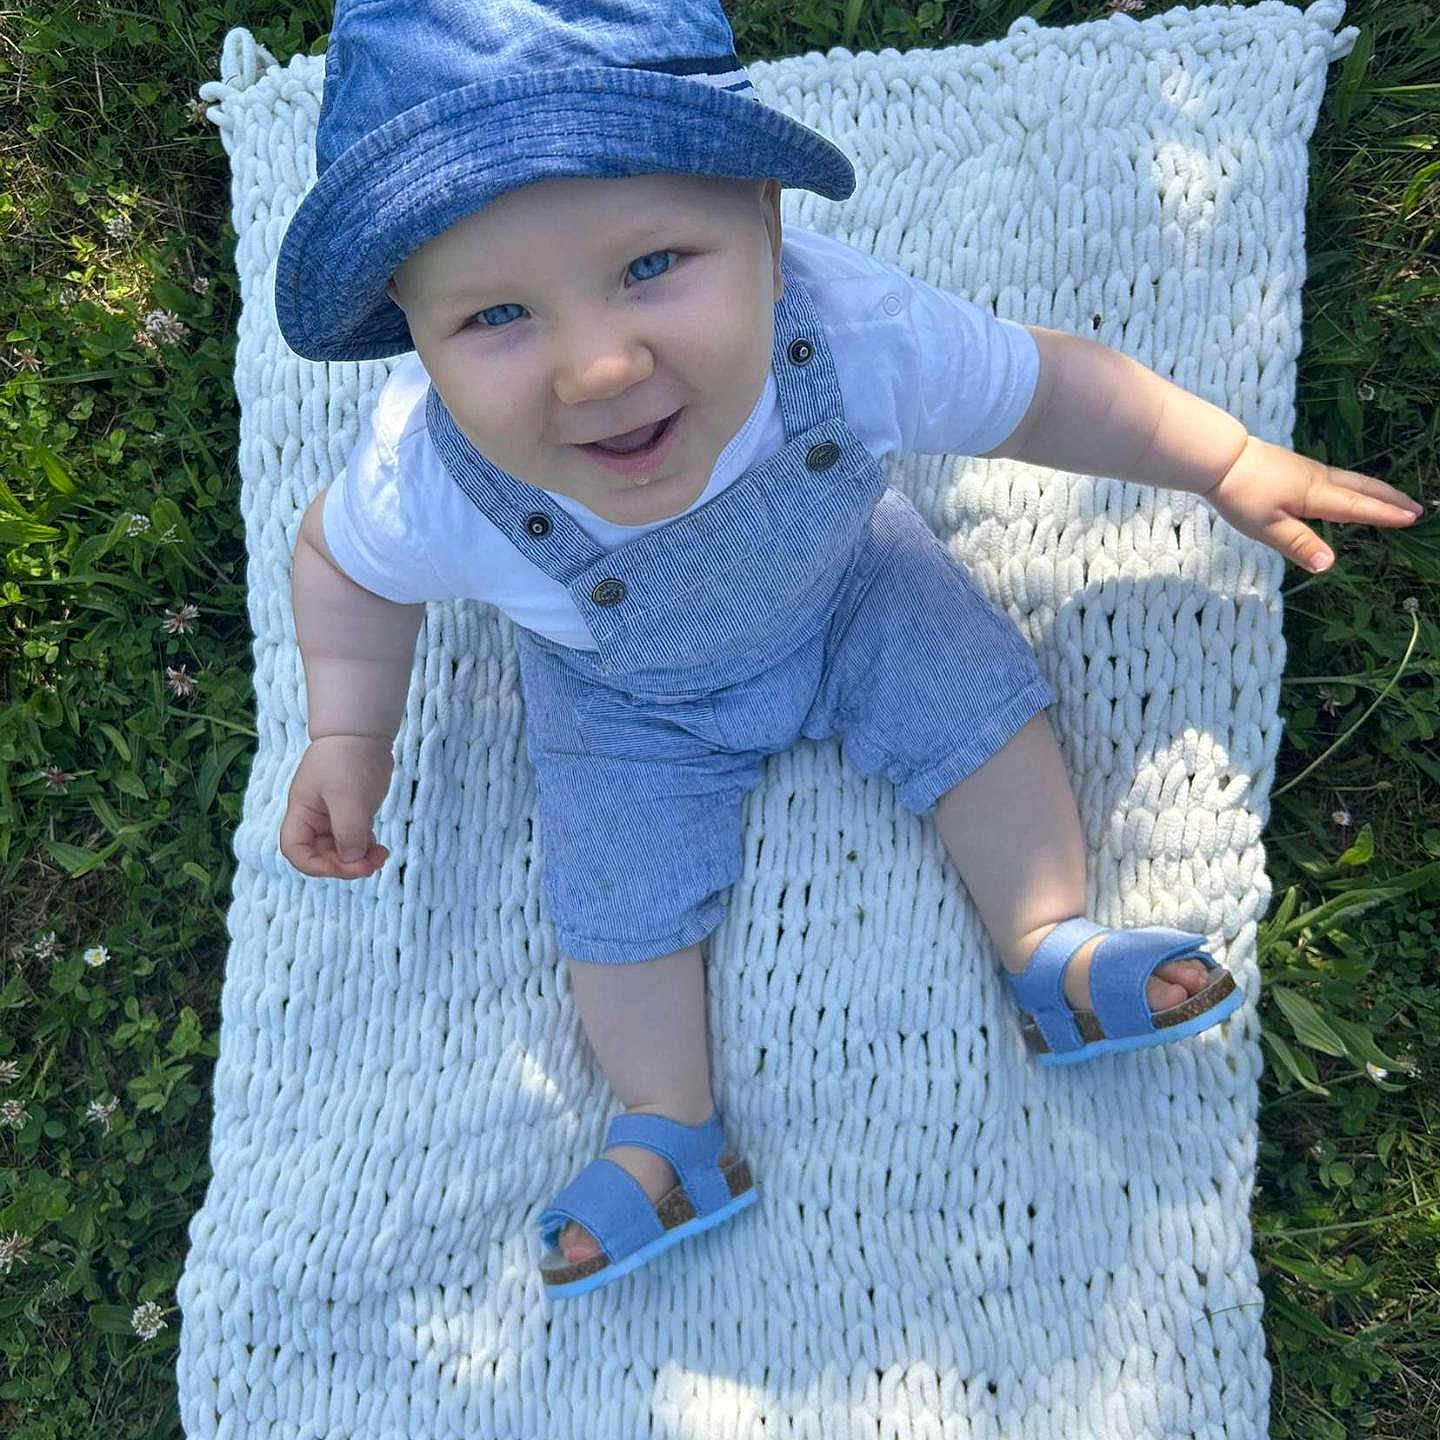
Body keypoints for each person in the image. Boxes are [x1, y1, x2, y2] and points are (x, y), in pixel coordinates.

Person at [274, 0, 1423, 1300]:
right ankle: (668, 1132)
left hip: (850, 589)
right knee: (615, 910)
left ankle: (1052, 945)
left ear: (764, 229)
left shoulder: (850, 336)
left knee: (981, 714)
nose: (599, 365)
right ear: (412, 331)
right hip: (621, 695)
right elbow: (341, 569)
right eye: (494, 317)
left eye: (654, 265)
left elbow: (1048, 390)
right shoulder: (423, 476)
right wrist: (349, 732)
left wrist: (1222, 460)